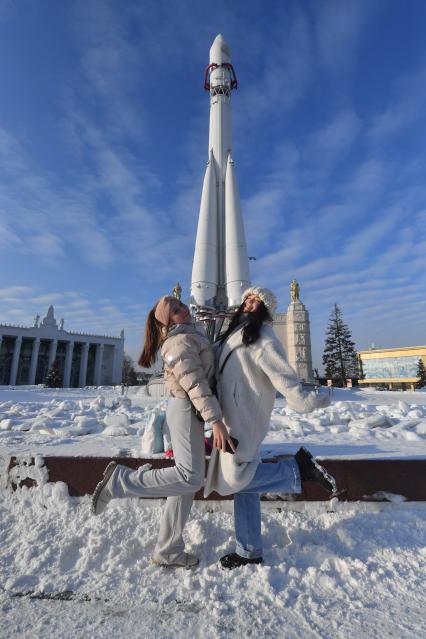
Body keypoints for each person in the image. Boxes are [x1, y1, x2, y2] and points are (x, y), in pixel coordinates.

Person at [91, 295, 230, 568]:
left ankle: (169, 551)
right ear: (167, 321)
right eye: (175, 311)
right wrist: (215, 421)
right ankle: (120, 481)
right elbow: (196, 384)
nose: (183, 310)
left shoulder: (188, 334)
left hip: (191, 411)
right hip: (186, 409)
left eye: (180, 305)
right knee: (190, 477)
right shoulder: (177, 343)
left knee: (184, 486)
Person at [204, 287, 335, 570]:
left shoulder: (263, 339)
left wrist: (313, 399)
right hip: (228, 419)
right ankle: (248, 550)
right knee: (245, 487)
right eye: (248, 299)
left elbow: (285, 379)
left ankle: (296, 471)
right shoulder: (235, 334)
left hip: (244, 422)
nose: (250, 304)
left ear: (265, 309)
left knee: (236, 479)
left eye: (257, 302)